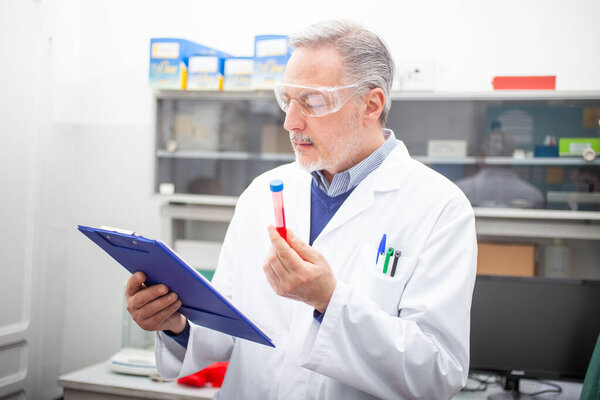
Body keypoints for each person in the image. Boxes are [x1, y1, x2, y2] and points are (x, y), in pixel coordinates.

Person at [126, 19, 477, 399]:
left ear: (371, 105)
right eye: (288, 101)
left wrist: (329, 301)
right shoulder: (262, 193)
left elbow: (439, 371)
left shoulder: (439, 207)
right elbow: (226, 327)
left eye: (312, 101)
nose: (290, 122)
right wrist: (174, 323)